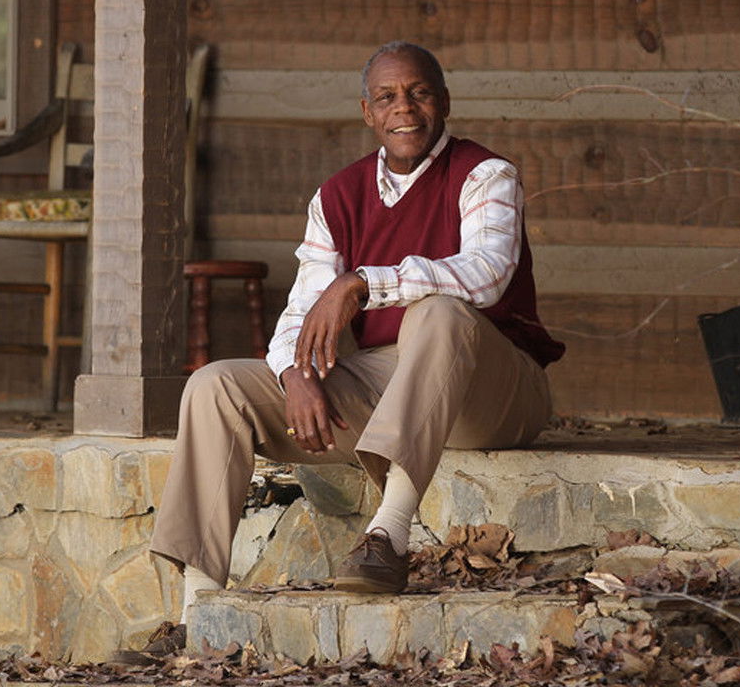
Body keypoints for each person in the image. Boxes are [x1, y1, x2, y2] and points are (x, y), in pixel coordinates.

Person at [149, 41, 564, 622]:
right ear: (367, 112)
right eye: (387, 97)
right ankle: (199, 607)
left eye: (419, 94)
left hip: (495, 390)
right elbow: (302, 306)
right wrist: (293, 371)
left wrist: (363, 283)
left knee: (438, 312)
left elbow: (487, 274)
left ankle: (388, 537)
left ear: (443, 102)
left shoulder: (485, 173)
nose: (405, 109)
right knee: (216, 385)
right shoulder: (338, 195)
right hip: (394, 387)